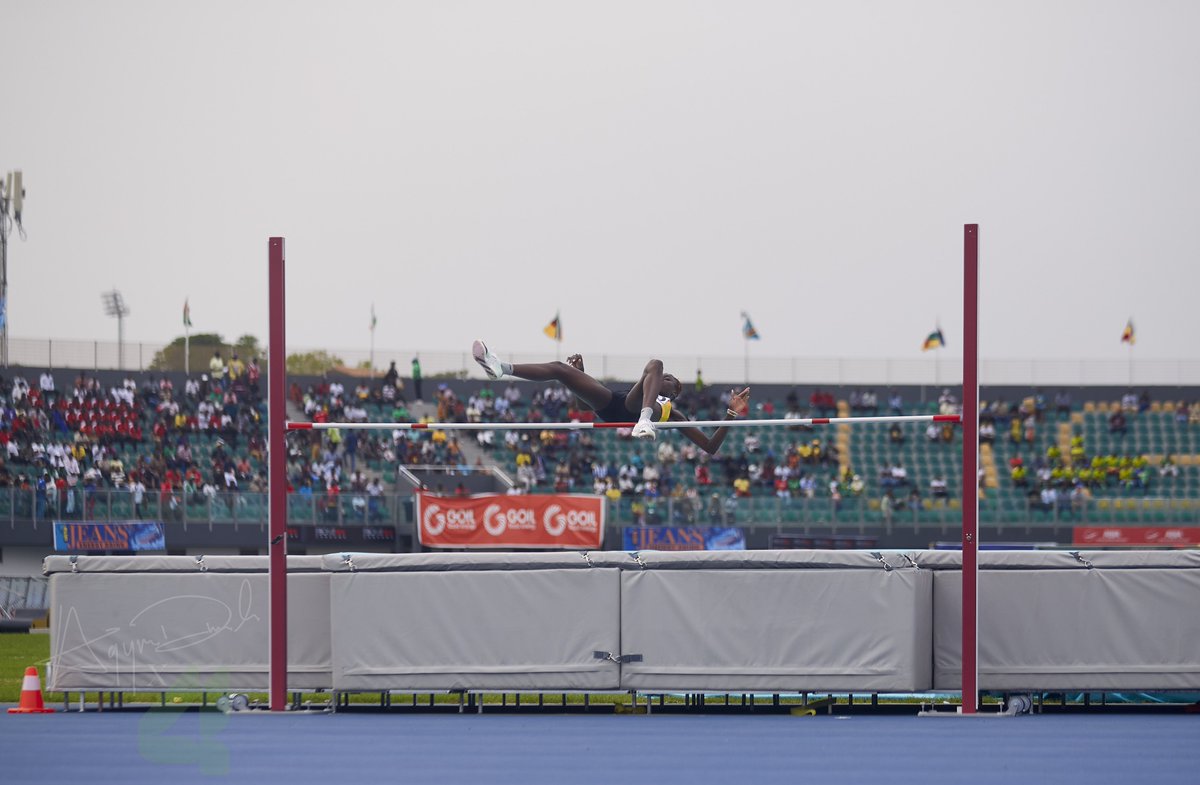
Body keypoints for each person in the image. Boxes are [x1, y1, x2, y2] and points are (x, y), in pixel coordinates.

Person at [472, 340, 749, 454]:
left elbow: (710, 447)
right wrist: (579, 376)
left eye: (671, 382)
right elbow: (583, 406)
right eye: (665, 378)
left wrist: (731, 413)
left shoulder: (673, 412)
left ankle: (644, 420)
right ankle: (501, 369)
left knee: (655, 362)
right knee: (560, 369)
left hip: (636, 414)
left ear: (674, 393)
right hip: (617, 404)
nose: (666, 379)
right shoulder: (648, 388)